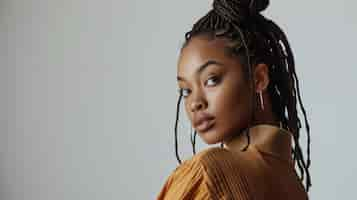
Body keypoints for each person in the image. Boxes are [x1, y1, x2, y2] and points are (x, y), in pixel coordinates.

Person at [157, 0, 312, 199]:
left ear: (259, 78)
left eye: (211, 80)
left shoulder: (207, 174)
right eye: (186, 91)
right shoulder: (293, 185)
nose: (195, 103)